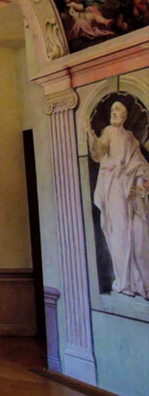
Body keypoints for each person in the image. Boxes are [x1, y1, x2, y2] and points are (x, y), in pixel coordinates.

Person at [86, 101, 149, 299]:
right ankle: (123, 281)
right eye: (112, 109)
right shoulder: (108, 132)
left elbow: (142, 165)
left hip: (129, 188)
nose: (114, 112)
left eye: (118, 109)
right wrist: (91, 135)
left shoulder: (130, 138)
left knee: (138, 231)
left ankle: (139, 281)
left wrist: (139, 183)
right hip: (113, 185)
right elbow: (98, 152)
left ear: (125, 115)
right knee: (119, 231)